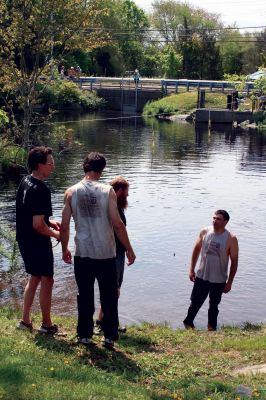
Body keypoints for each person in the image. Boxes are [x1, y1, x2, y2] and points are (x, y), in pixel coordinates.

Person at [60, 152, 136, 349]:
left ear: (84, 167)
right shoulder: (107, 191)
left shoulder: (70, 192)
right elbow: (117, 224)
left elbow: (65, 226)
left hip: (83, 252)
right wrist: (129, 249)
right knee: (109, 295)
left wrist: (64, 248)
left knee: (84, 294)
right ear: (102, 170)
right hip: (105, 253)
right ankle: (109, 336)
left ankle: (84, 335)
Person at [16, 147, 61, 334]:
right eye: (50, 163)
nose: (53, 166)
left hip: (24, 239)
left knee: (34, 276)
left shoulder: (25, 181)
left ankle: (25, 320)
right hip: (37, 241)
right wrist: (57, 235)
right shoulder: (41, 189)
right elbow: (38, 226)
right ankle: (47, 325)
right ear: (40, 165)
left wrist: (49, 221)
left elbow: (32, 215)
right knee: (47, 280)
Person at [183, 210, 238, 331]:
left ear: (225, 222)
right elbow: (196, 249)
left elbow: (234, 261)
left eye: (218, 219)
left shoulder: (231, 238)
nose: (215, 221)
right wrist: (191, 269)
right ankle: (188, 324)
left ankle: (211, 329)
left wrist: (230, 282)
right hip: (202, 276)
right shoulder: (205, 232)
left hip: (219, 279)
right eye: (214, 218)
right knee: (195, 303)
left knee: (214, 306)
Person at [95, 176, 129, 334]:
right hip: (113, 253)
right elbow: (117, 228)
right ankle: (109, 323)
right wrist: (130, 250)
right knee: (113, 289)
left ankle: (101, 320)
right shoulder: (112, 206)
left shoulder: (114, 205)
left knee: (113, 288)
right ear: (120, 191)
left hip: (115, 252)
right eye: (126, 193)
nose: (127, 196)